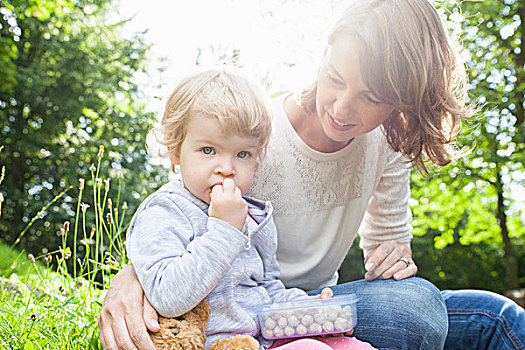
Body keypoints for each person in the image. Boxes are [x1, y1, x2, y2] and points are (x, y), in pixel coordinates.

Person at [98, 1, 525, 349]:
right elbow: (182, 206)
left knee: (497, 317)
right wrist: (134, 274)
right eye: (335, 79)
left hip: (307, 304)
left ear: (400, 102)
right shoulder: (255, 138)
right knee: (416, 312)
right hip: (238, 313)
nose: (341, 109)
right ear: (323, 55)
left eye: (370, 98)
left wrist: (395, 259)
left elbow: (388, 251)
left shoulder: (388, 142)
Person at [125, 67, 376, 350]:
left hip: (261, 340)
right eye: (208, 150)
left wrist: (307, 307)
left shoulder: (255, 217)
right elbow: (167, 296)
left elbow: (268, 291)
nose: (227, 168)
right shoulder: (165, 210)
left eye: (243, 154)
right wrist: (225, 230)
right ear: (175, 150)